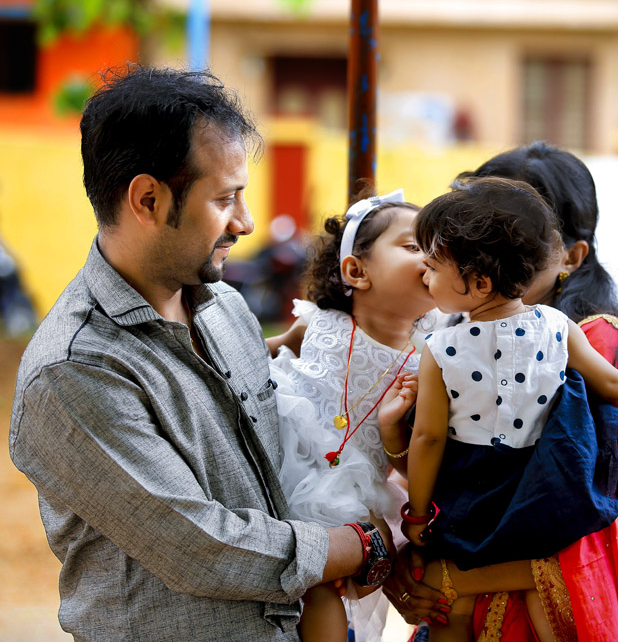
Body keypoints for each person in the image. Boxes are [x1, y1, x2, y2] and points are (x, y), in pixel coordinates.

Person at [8, 65, 391, 640]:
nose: (246, 222)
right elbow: (200, 547)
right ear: (147, 199)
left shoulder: (224, 308)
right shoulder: (76, 369)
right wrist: (361, 546)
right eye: (225, 199)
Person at [384, 142, 618, 641]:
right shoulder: (456, 334)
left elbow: (599, 529)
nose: (482, 243)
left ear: (568, 255)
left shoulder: (592, 342)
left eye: (507, 231)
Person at [402, 177, 618, 641]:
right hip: (543, 486)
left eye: (432, 266)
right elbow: (615, 385)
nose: (424, 275)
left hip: (471, 490)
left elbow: (428, 438)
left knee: (451, 601)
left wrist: (417, 515)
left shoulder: (440, 349)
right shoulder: (559, 326)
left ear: (479, 282)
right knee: (543, 585)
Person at [265, 190, 437, 642]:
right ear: (357, 272)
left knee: (338, 580)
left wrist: (394, 433)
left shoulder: (430, 362)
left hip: (356, 492)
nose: (431, 257)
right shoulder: (319, 324)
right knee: (315, 577)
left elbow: (418, 457)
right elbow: (258, 356)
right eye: (414, 246)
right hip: (287, 465)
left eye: (438, 248)